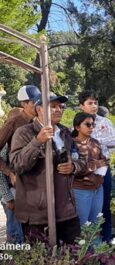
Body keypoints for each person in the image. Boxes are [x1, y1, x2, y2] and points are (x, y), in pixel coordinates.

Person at [10, 94, 86, 244]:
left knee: (74, 257)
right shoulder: (24, 133)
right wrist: (37, 142)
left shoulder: (65, 132)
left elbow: (82, 161)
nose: (58, 110)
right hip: (38, 214)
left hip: (67, 210)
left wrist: (73, 167)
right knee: (42, 263)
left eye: (61, 107)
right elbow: (17, 165)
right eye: (53, 106)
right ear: (39, 109)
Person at [0, 85, 40, 243]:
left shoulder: (39, 122)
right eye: (33, 102)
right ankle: (13, 263)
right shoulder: (13, 122)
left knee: (30, 229)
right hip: (16, 186)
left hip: (35, 184)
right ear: (24, 104)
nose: (37, 105)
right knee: (16, 229)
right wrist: (9, 172)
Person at [79, 90, 115, 243]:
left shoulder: (105, 122)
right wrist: (100, 142)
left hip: (103, 169)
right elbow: (76, 143)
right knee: (87, 207)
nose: (94, 106)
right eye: (90, 103)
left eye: (95, 103)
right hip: (84, 171)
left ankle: (106, 239)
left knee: (105, 205)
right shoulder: (77, 123)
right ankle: (88, 242)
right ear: (82, 106)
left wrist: (94, 141)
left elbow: (114, 140)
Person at [71, 112, 108, 226]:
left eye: (93, 124)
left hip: (97, 188)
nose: (91, 127)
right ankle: (83, 245)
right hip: (81, 189)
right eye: (88, 124)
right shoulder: (72, 145)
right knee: (83, 224)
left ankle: (96, 244)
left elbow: (102, 159)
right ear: (77, 127)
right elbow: (74, 168)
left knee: (96, 224)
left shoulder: (94, 142)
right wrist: (96, 164)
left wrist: (105, 162)